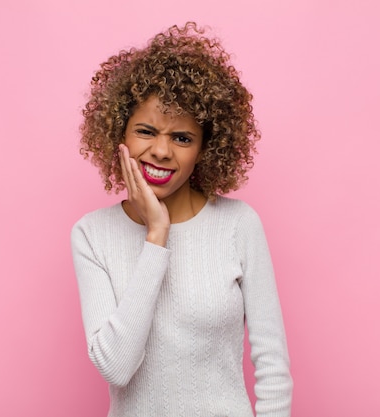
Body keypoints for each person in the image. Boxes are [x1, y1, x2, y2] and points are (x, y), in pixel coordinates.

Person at [71, 22, 293, 417]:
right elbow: (116, 368)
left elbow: (272, 366)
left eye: (182, 138)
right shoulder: (92, 234)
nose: (160, 151)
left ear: (206, 149)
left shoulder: (238, 225)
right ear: (118, 133)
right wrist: (157, 235)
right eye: (145, 131)